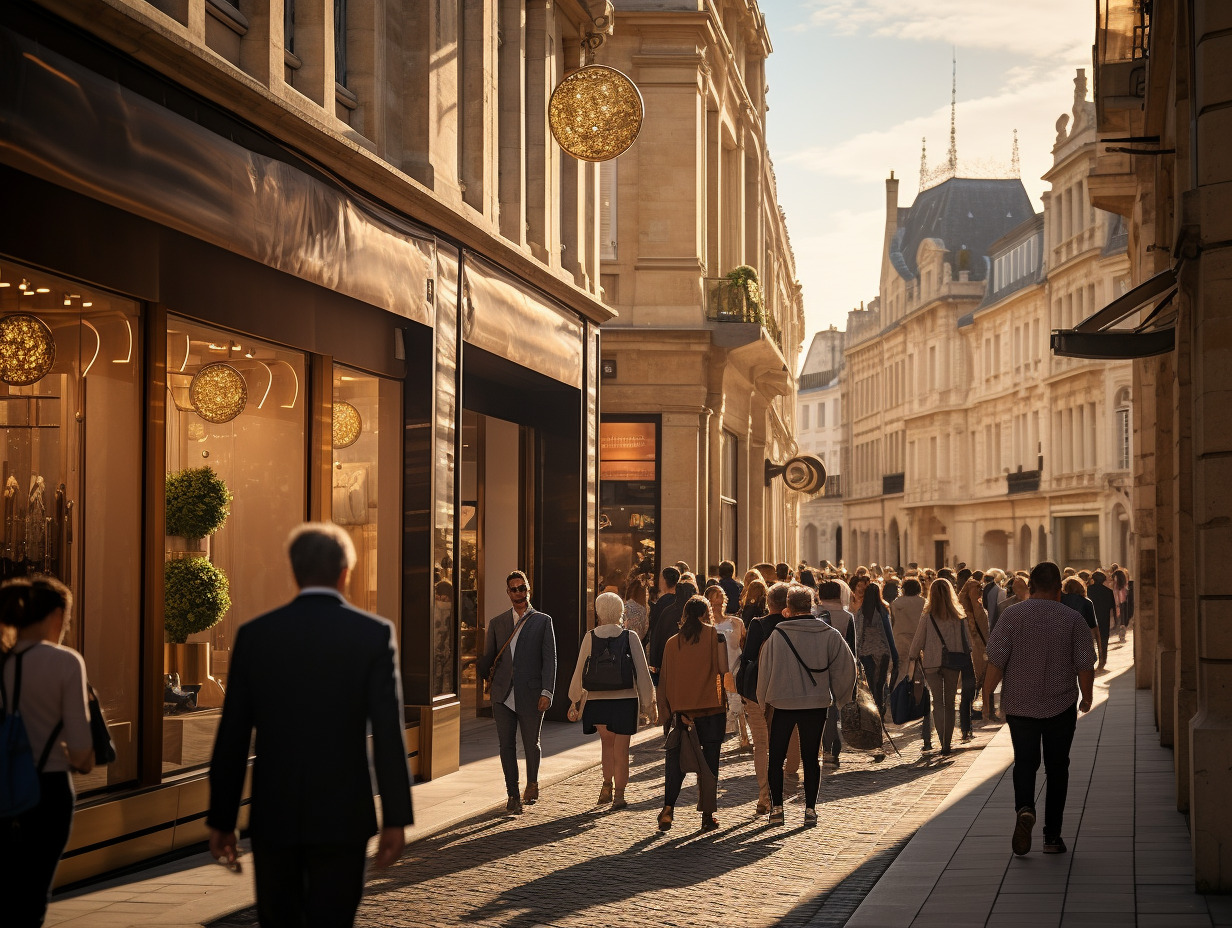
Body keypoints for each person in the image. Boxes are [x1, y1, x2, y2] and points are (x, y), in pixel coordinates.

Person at [208, 524, 412, 927]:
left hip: (275, 811)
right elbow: (388, 733)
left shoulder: (256, 636)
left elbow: (232, 735)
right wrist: (396, 818)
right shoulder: (372, 635)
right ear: (345, 573)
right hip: (343, 815)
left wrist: (221, 819)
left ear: (294, 572)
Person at [983, 561, 1095, 856]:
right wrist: (1087, 696)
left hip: (1020, 704)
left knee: (1024, 762)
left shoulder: (1011, 616)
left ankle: (1025, 808)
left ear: (1030, 587)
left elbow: (995, 661)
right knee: (1058, 768)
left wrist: (985, 698)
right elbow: (1085, 663)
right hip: (1060, 704)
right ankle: (1052, 837)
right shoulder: (1072, 618)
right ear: (1059, 589)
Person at [0, 577, 94, 928]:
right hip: (47, 789)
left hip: (3, 787)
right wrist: (77, 756)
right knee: (32, 895)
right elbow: (83, 751)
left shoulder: (3, 661)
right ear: (57, 615)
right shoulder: (65, 662)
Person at [757, 585, 857, 826]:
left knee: (776, 757)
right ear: (811, 604)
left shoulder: (777, 635)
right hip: (815, 703)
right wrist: (841, 698)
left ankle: (777, 809)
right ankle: (810, 810)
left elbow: (765, 671)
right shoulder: (829, 633)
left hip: (781, 703)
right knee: (811, 758)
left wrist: (763, 701)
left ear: (788, 607)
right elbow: (847, 667)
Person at [477, 569, 557, 814]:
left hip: (532, 693)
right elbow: (488, 659)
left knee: (531, 743)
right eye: (514, 589)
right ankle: (512, 794)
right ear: (508, 593)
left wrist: (547, 691)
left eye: (523, 588)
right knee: (506, 746)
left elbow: (550, 659)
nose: (519, 593)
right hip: (502, 695)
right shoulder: (497, 623)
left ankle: (532, 782)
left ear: (528, 590)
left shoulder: (543, 621)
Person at [566, 592, 654, 809]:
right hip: (625, 700)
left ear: (599, 611)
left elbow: (579, 669)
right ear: (619, 611)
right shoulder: (630, 636)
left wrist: (574, 700)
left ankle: (606, 786)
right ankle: (619, 796)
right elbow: (642, 672)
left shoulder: (590, 636)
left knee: (607, 745)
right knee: (622, 750)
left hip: (597, 700)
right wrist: (648, 703)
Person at [656, 596, 729, 832]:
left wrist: (668, 713)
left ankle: (668, 808)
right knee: (709, 764)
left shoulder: (672, 643)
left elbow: (665, 680)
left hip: (683, 714)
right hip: (711, 709)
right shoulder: (715, 636)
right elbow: (723, 669)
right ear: (705, 615)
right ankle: (707, 815)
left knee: (675, 762)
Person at [736, 582, 796, 812]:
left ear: (769, 603)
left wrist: (742, 691)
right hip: (786, 692)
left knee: (761, 744)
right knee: (787, 739)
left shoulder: (758, 625)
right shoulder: (794, 626)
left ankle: (764, 795)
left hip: (757, 692)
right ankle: (788, 780)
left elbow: (747, 660)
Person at [907, 578, 971, 756]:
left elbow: (917, 642)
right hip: (953, 662)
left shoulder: (927, 617)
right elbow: (969, 644)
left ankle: (942, 739)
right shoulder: (959, 618)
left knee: (938, 702)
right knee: (950, 703)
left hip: (932, 664)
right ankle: (947, 743)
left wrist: (913, 657)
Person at [816, 580, 856, 766]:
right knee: (833, 709)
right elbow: (852, 649)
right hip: (839, 666)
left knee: (821, 709)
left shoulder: (813, 614)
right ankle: (831, 750)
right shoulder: (847, 617)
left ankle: (827, 748)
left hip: (816, 667)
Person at [706, 585, 749, 748]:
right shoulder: (705, 627)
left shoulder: (736, 622)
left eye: (720, 597)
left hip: (734, 668)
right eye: (714, 598)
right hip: (714, 672)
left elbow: (743, 646)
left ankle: (744, 736)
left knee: (737, 705)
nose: (718, 602)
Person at [853, 576, 898, 718]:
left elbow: (858, 634)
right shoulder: (883, 611)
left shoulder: (861, 612)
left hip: (866, 652)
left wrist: (856, 652)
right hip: (882, 651)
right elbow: (889, 634)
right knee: (880, 684)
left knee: (870, 685)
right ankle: (880, 709)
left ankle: (872, 713)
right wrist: (894, 655)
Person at [649, 578, 697, 684]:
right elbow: (659, 635)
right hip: (679, 661)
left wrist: (655, 661)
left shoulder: (669, 611)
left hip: (669, 661)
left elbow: (657, 636)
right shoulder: (693, 613)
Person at [889, 577, 925, 688]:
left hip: (900, 640)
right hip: (920, 640)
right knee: (919, 671)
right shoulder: (924, 602)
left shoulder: (896, 603)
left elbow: (892, 622)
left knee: (901, 671)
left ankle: (899, 695)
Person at [1061, 577, 1101, 661]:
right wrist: (1099, 652)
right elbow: (1094, 628)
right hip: (1082, 642)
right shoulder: (1087, 602)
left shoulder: (1060, 601)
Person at [1086, 570, 1116, 670]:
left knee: (1090, 640)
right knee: (1103, 640)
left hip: (1090, 618)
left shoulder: (1088, 590)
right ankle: (1102, 660)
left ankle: (1090, 660)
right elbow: (1112, 608)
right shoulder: (1108, 592)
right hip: (1104, 618)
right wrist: (1114, 620)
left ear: (1093, 579)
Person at [622, 575, 650, 643]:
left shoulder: (624, 606)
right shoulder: (643, 610)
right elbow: (645, 629)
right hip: (638, 643)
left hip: (624, 642)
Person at [1112, 568, 1132, 642]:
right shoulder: (1126, 587)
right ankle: (1122, 633)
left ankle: (1121, 633)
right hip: (1123, 605)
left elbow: (1117, 596)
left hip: (1118, 605)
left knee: (1120, 621)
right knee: (1123, 621)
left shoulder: (1116, 587)